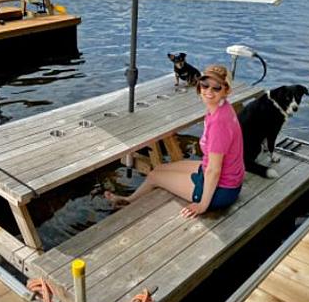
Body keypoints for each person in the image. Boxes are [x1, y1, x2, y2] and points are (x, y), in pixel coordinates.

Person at [105, 65, 245, 218]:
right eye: (205, 85)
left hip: (222, 189)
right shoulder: (221, 107)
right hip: (227, 177)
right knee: (158, 168)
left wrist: (202, 205)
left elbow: (214, 169)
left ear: (227, 91)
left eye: (216, 88)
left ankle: (128, 201)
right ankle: (129, 200)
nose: (209, 91)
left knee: (154, 177)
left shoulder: (219, 122)